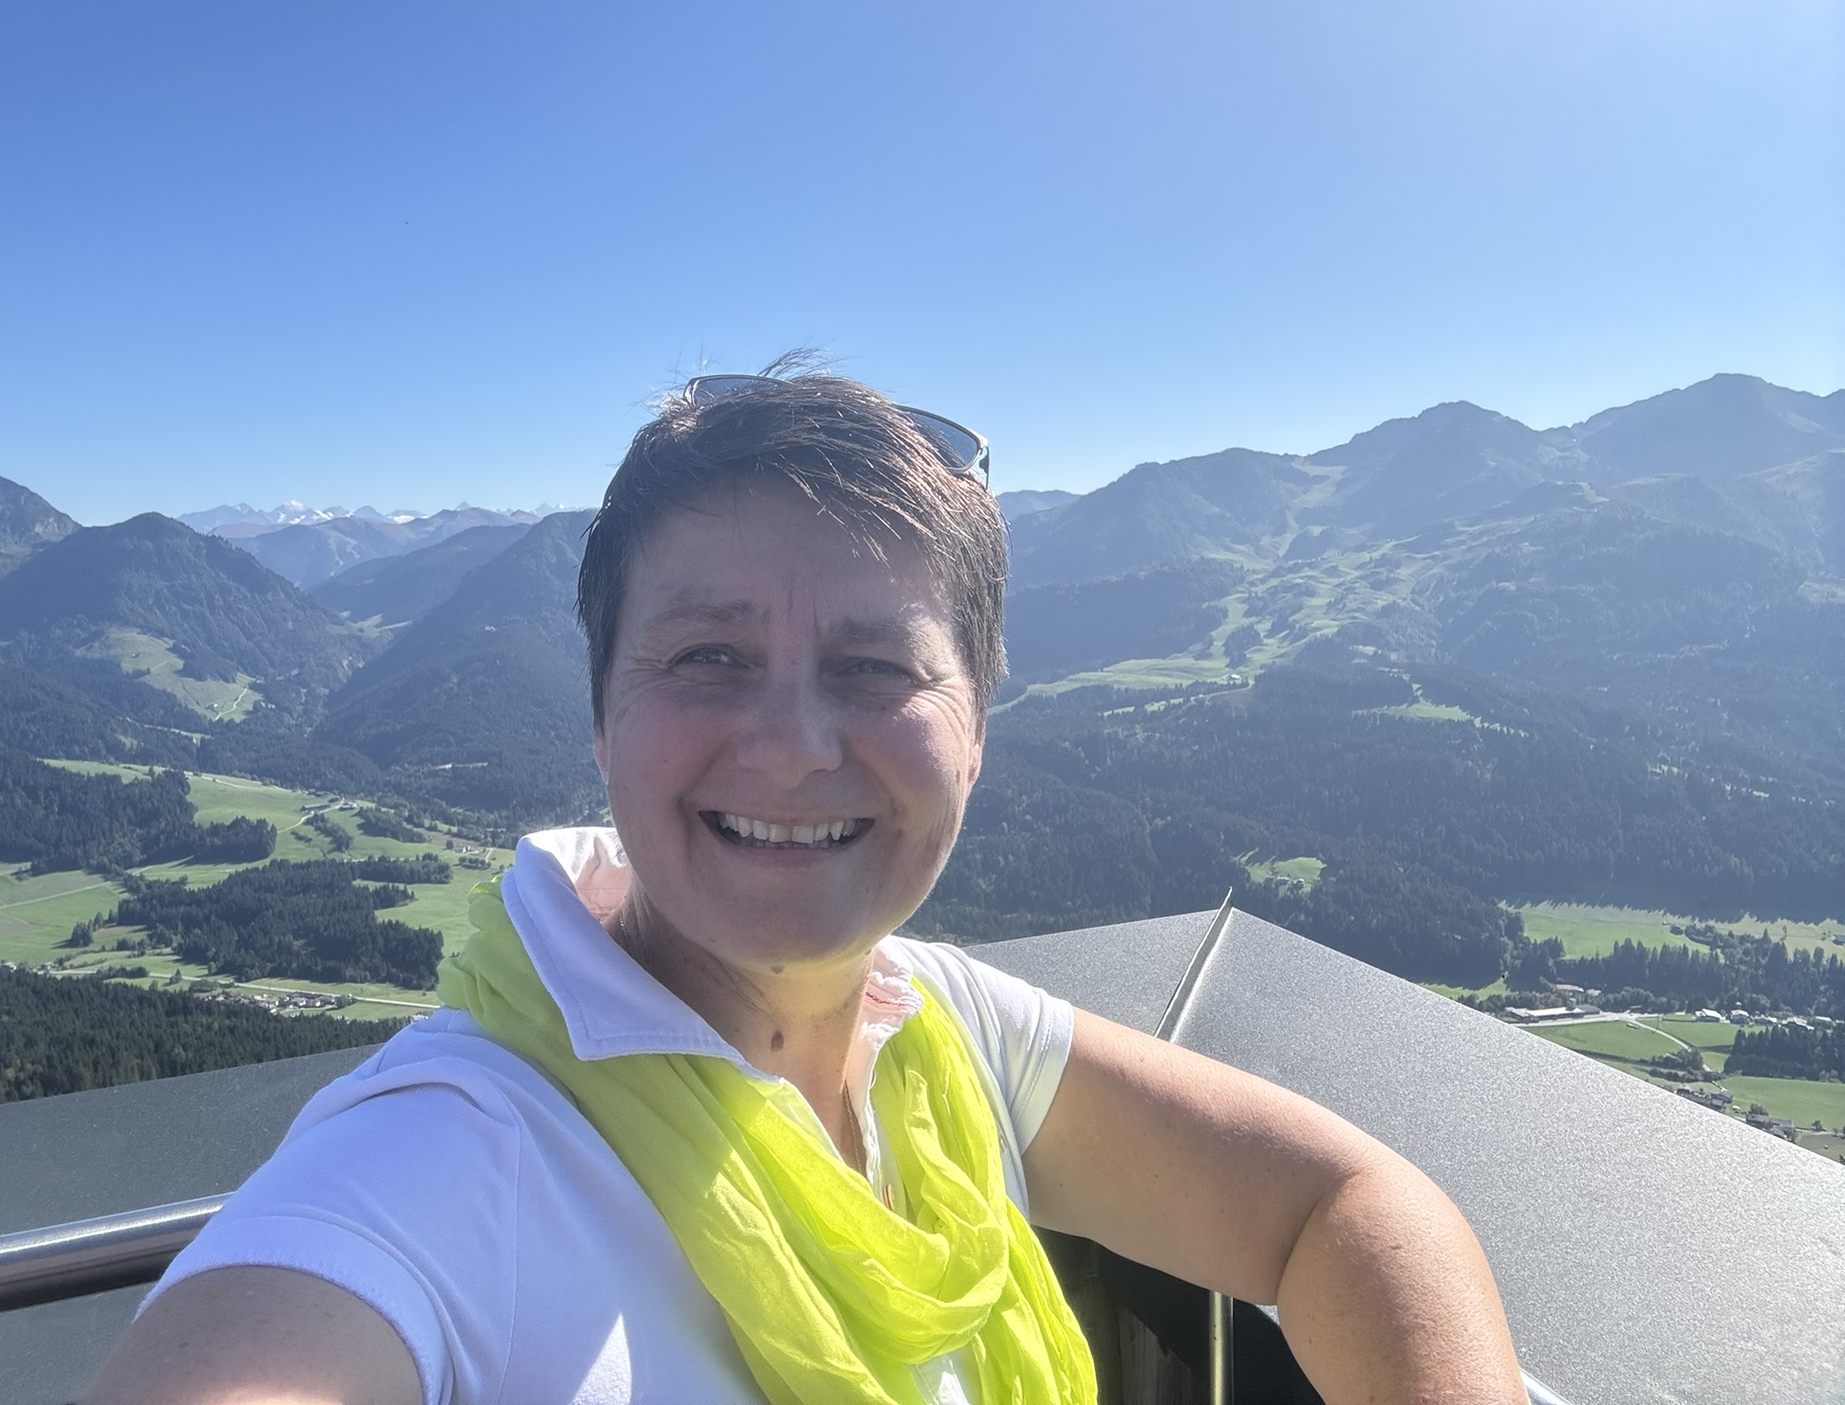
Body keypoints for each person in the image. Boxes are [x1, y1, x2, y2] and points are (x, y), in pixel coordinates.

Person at [85, 360, 1528, 1405]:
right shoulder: (447, 1157)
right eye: (706, 656)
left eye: (875, 665)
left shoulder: (940, 1031)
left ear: (976, 727)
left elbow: (1335, 1207)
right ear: (601, 721)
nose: (789, 747)